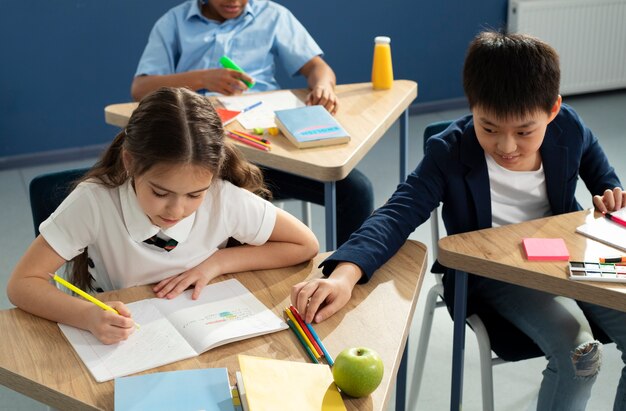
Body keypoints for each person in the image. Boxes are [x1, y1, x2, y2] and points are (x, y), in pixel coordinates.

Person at [291, 31, 626, 411]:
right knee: (580, 354)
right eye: (489, 128)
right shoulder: (449, 150)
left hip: (572, 259)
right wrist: (344, 274)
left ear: (552, 110)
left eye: (524, 132)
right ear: (472, 108)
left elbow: (605, 180)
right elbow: (399, 212)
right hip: (499, 272)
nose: (507, 147)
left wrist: (611, 195)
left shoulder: (570, 127)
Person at [7, 87, 319, 345]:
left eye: (194, 195)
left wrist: (218, 262)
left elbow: (304, 244)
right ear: (130, 162)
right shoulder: (95, 202)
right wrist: (86, 315)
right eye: (160, 192)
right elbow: (22, 284)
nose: (176, 210)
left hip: (196, 327)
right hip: (114, 332)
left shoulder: (223, 197)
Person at [129, 0, 374, 246]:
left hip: (266, 150)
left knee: (355, 190)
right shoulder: (174, 22)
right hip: (202, 155)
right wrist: (204, 77)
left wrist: (323, 85)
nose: (234, 2)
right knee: (238, 205)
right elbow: (140, 88)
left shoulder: (273, 15)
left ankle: (347, 268)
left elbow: (318, 68)